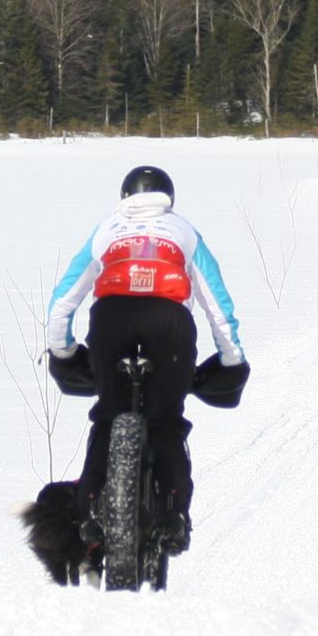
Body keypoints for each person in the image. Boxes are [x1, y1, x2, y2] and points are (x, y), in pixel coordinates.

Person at [44, 164, 248, 552]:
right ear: (169, 198)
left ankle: (88, 513)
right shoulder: (183, 230)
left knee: (107, 416)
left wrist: (63, 350)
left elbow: (64, 299)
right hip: (168, 322)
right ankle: (173, 517)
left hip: (111, 318)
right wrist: (231, 358)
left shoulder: (107, 229)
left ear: (124, 197)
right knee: (165, 421)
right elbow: (216, 304)